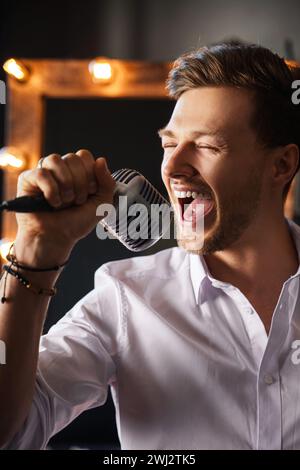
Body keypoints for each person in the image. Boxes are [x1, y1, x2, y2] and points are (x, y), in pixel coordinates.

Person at [0, 41, 300, 450]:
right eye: (169, 144)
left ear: (281, 165)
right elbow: (9, 434)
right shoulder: (125, 296)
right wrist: (36, 253)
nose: (173, 168)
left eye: (208, 146)